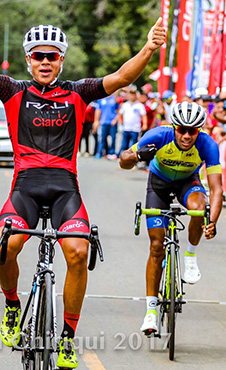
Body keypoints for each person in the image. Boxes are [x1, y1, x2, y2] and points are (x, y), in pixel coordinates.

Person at [0, 8, 165, 368]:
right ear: (28, 59)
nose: (44, 61)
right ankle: (11, 306)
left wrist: (148, 49)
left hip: (65, 190)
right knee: (6, 245)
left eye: (51, 56)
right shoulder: (13, 91)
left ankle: (67, 339)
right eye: (37, 55)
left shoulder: (78, 93)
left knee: (77, 253)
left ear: (60, 61)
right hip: (26, 186)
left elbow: (119, 77)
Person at [119, 102, 223, 336]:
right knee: (157, 245)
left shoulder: (208, 145)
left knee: (199, 208)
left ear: (200, 130)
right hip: (158, 185)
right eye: (182, 129)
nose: (186, 135)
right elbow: (122, 161)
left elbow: (217, 188)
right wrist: (137, 155)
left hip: (188, 182)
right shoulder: (158, 135)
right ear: (173, 126)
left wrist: (212, 221)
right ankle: (151, 311)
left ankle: (190, 256)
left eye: (193, 131)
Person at [116, 88, 147, 157]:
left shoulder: (139, 105)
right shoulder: (125, 105)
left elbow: (144, 116)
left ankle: (132, 161)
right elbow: (120, 114)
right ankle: (123, 160)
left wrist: (145, 124)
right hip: (126, 128)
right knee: (124, 145)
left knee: (133, 146)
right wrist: (116, 120)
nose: (132, 96)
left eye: (133, 94)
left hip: (135, 128)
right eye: (131, 94)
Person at [93, 93, 119, 159]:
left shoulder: (114, 98)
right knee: (102, 139)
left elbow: (119, 111)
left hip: (112, 122)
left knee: (113, 138)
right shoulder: (101, 99)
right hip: (103, 122)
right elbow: (98, 110)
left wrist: (115, 120)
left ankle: (111, 153)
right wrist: (96, 121)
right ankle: (100, 153)